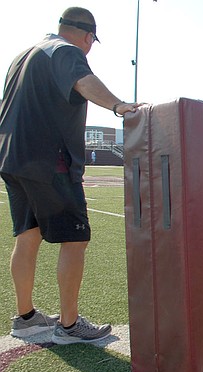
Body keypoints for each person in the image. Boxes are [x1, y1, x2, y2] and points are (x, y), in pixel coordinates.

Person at [0, 7, 141, 343]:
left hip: (12, 157)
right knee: (75, 238)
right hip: (50, 161)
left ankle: (26, 318)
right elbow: (82, 80)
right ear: (88, 36)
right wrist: (118, 105)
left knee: (27, 236)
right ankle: (68, 325)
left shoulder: (22, 56)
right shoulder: (65, 50)